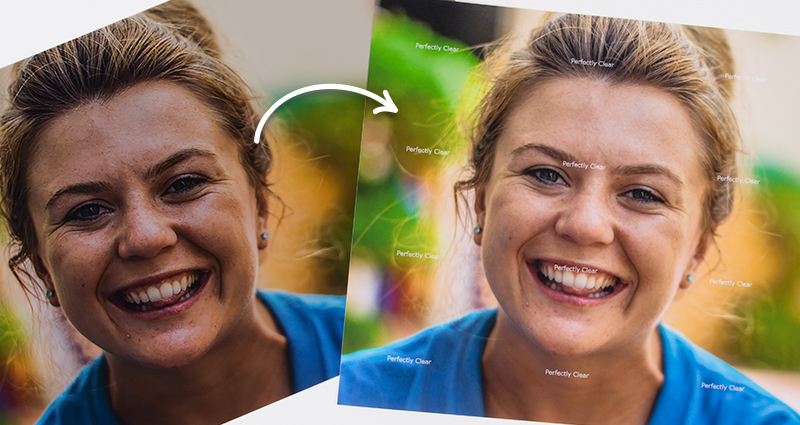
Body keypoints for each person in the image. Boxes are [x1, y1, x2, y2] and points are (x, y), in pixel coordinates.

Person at [338, 14, 800, 425]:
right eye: (546, 173)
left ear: (699, 245)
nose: (585, 225)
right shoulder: (349, 400)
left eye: (642, 193)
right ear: (480, 199)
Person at [0, 1, 344, 424]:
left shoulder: (396, 367)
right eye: (88, 211)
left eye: (183, 184)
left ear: (260, 201)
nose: (145, 237)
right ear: (41, 267)